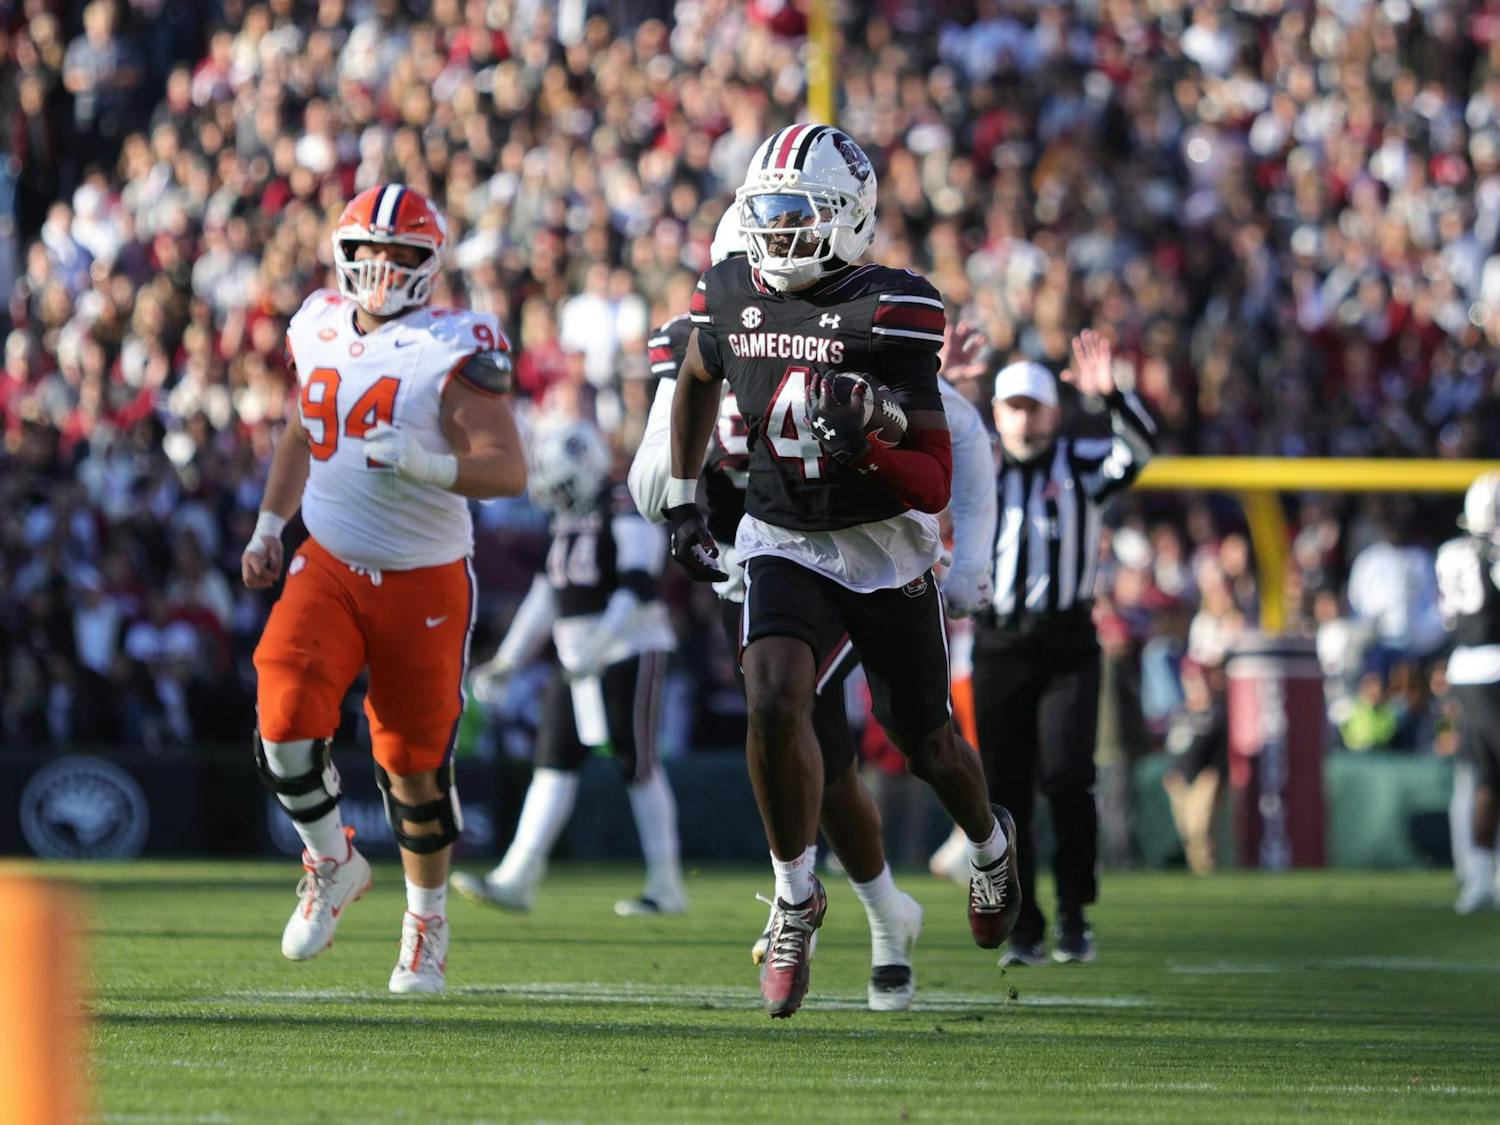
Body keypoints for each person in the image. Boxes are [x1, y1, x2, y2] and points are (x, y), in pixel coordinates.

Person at [663, 125, 1020, 1019]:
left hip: (884, 546)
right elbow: (699, 367)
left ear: (852, 219)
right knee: (772, 697)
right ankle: (795, 895)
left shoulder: (891, 309)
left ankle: (988, 844)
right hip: (783, 537)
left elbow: (936, 476)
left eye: (800, 216)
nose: (779, 235)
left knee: (925, 741)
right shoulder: (733, 286)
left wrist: (874, 433)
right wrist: (680, 490)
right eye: (769, 215)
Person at [242, 184, 526, 994]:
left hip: (424, 578)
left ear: (429, 264)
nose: (383, 266)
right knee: (283, 715)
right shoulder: (316, 321)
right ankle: (332, 859)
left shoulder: (456, 341)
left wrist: (428, 463)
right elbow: (302, 424)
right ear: (345, 254)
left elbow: (507, 467)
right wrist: (269, 524)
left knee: (411, 763)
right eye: (370, 250)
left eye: (402, 253)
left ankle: (425, 923)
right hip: (329, 559)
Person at [974, 332, 1157, 968]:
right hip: (997, 641)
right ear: (996, 412)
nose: (1023, 417)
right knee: (1004, 791)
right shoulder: (980, 463)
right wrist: (937, 382)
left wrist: (1113, 398)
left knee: (1068, 778)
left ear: (1053, 412)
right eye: (1013, 406)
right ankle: (1024, 924)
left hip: (1067, 642)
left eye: (1034, 406)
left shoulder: (1079, 460)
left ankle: (1075, 913)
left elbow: (1143, 450)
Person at [458, 418, 685, 918]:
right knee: (553, 762)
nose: (551, 490)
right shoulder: (565, 517)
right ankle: (518, 875)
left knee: (636, 762)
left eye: (560, 479)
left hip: (629, 648)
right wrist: (508, 660)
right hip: (573, 657)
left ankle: (666, 884)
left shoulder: (623, 502)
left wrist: (603, 642)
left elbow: (639, 582)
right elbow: (547, 593)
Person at [1435, 470, 1500, 914]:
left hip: (1464, 667)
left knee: (1481, 777)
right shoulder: (1492, 555)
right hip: (1494, 667)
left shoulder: (1449, 554)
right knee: (1488, 778)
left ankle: (1477, 874)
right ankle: (1482, 877)